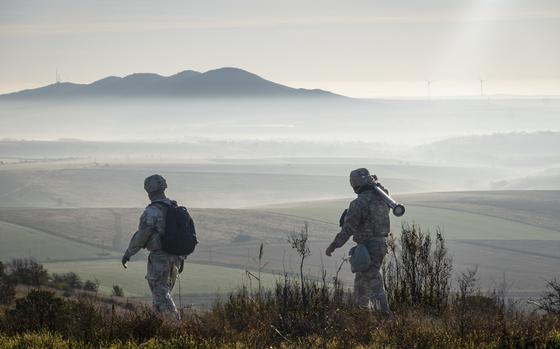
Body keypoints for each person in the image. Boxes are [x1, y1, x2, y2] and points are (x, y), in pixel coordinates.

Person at [325, 168, 392, 315]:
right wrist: (377, 185)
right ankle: (365, 318)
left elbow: (348, 229)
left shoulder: (358, 203)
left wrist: (334, 245)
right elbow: (385, 192)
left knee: (369, 284)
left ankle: (381, 318)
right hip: (380, 245)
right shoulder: (383, 199)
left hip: (367, 247)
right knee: (367, 282)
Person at [121, 174, 185, 320]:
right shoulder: (174, 208)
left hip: (160, 258)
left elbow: (142, 235)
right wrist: (181, 258)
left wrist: (128, 254)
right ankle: (160, 327)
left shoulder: (152, 211)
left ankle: (175, 327)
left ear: (148, 191)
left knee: (161, 295)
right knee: (164, 294)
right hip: (175, 258)